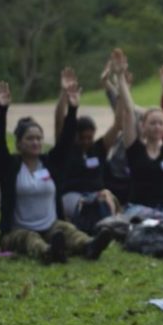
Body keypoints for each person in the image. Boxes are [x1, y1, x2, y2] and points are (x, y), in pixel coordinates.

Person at [0, 80, 113, 264]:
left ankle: (90, 246)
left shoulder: (50, 164)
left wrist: (72, 109)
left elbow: (65, 141)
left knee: (69, 230)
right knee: (30, 240)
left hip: (50, 227)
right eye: (30, 138)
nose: (35, 142)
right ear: (19, 144)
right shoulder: (10, 167)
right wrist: (2, 110)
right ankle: (49, 253)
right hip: (17, 231)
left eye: (39, 138)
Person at [113, 49, 163, 225]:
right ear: (143, 126)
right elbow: (128, 110)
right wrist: (120, 77)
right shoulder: (134, 147)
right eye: (152, 123)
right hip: (139, 210)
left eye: (161, 123)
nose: (157, 127)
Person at [53, 68, 121, 233]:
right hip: (73, 195)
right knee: (87, 206)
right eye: (82, 138)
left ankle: (106, 227)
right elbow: (59, 121)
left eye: (89, 138)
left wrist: (118, 88)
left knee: (107, 198)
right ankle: (90, 226)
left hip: (98, 194)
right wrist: (64, 94)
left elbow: (119, 123)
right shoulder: (66, 148)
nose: (86, 142)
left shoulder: (99, 148)